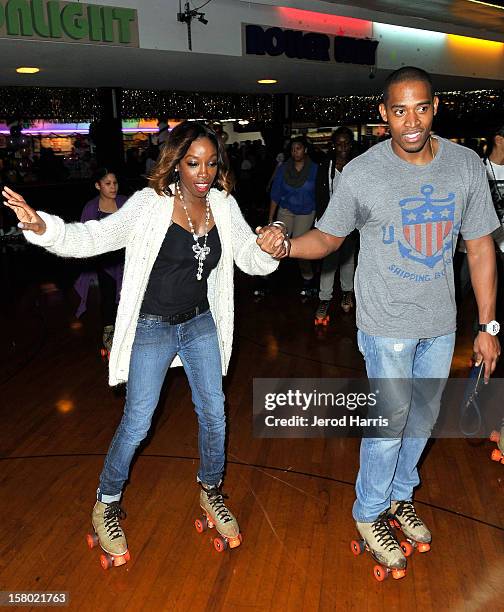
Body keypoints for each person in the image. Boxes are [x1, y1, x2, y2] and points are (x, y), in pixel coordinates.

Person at [3, 121, 281, 565]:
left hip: (201, 323)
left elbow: (249, 255)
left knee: (214, 412)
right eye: (193, 163)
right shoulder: (149, 206)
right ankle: (106, 501)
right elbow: (93, 237)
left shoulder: (222, 206)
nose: (203, 172)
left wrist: (272, 246)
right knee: (138, 421)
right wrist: (43, 227)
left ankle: (211, 490)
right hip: (152, 326)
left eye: (211, 162)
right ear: (176, 162)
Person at [261, 67, 501, 572]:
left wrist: (487, 327)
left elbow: (479, 248)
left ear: (435, 108)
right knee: (389, 425)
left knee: (422, 421)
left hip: (439, 323)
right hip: (385, 322)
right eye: (399, 110)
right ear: (383, 115)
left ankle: (399, 495)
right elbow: (327, 239)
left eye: (421, 108)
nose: (410, 121)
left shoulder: (464, 166)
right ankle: (369, 514)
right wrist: (285, 246)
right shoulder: (362, 173)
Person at [74, 169, 128, 354]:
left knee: (128, 296)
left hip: (127, 260)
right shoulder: (91, 208)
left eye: (115, 183)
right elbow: (85, 235)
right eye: (108, 183)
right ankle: (109, 335)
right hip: (105, 261)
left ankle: (127, 333)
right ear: (98, 185)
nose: (113, 187)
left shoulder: (125, 202)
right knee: (108, 295)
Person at [314, 127, 357, 324]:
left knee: (348, 259)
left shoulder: (357, 165)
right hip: (330, 223)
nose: (342, 148)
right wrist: (320, 222)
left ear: (351, 144)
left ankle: (347, 293)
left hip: (351, 222)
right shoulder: (326, 165)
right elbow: (319, 195)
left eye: (346, 143)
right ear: (333, 145)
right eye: (339, 144)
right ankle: (324, 299)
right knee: (329, 262)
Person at [268, 136, 318, 295]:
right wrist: (270, 219)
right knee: (277, 242)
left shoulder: (315, 169)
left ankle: (308, 277)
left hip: (306, 211)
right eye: (292, 149)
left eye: (298, 148)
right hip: (286, 210)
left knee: (299, 244)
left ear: (305, 150)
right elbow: (275, 194)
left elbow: (320, 194)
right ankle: (267, 272)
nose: (295, 151)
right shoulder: (284, 169)